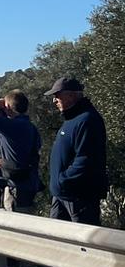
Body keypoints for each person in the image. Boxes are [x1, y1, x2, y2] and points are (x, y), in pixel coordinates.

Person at [44, 77, 108, 226]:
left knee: (84, 246)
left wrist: (62, 181)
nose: (54, 100)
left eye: (57, 95)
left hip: (79, 197)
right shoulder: (72, 119)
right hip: (62, 196)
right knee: (56, 242)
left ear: (72, 95)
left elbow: (86, 160)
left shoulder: (87, 120)